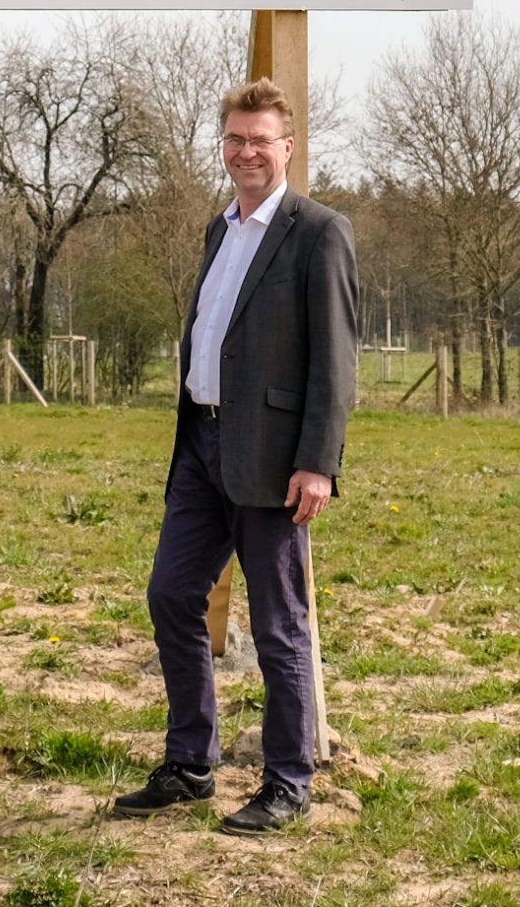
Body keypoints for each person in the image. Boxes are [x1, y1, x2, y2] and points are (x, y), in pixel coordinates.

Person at [116, 78, 358, 834]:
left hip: (274, 458)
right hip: (201, 449)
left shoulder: (318, 231)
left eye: (261, 140)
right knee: (170, 595)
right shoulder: (218, 229)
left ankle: (288, 780)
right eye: (235, 139)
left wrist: (318, 461)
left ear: (287, 147)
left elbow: (336, 361)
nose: (247, 152)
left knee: (279, 624)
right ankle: (192, 762)